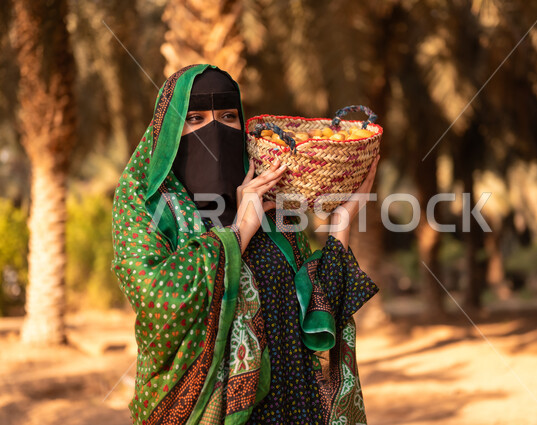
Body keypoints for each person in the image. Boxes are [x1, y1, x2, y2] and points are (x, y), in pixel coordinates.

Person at [111, 63, 380, 425]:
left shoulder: (271, 206)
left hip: (295, 410)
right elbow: (159, 297)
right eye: (194, 118)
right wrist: (239, 231)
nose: (214, 130)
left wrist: (342, 223)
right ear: (169, 129)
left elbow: (318, 314)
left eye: (227, 116)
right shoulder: (148, 206)